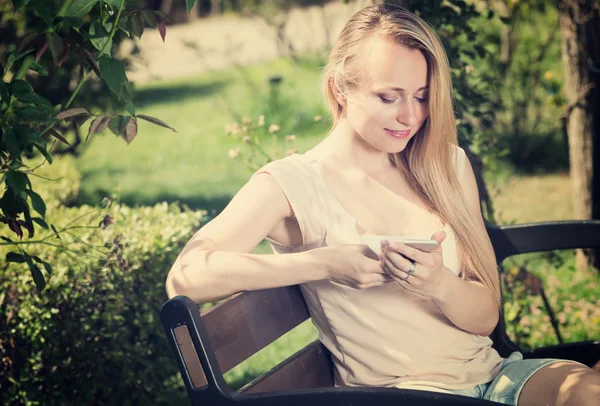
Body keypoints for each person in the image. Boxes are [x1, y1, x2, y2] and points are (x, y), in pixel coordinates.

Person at [166, 4, 600, 405]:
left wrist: (438, 285)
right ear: (340, 90)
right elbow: (187, 278)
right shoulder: (293, 184)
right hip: (406, 394)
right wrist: (324, 263)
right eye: (388, 97)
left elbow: (485, 317)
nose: (410, 116)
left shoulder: (444, 163)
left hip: (498, 379)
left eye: (422, 95)